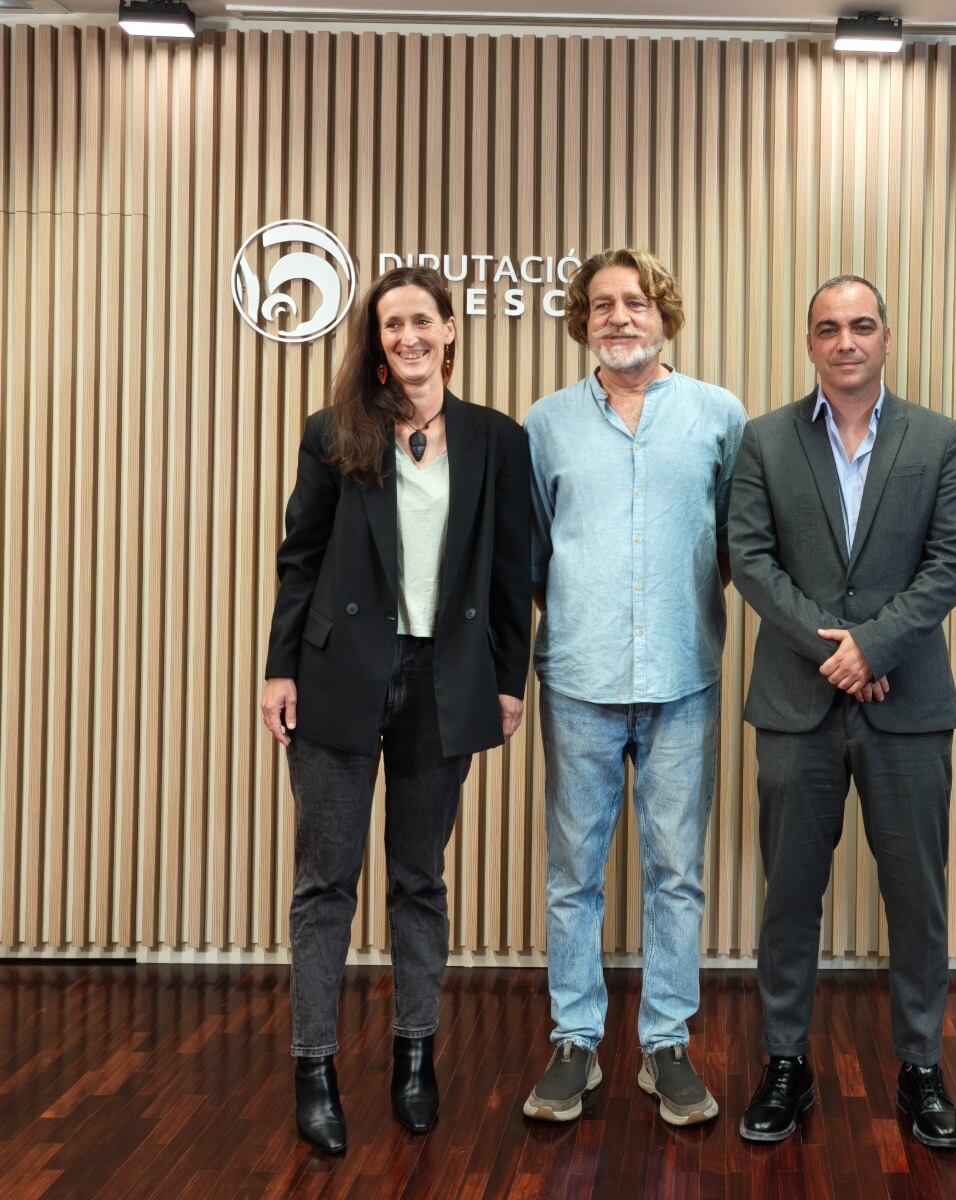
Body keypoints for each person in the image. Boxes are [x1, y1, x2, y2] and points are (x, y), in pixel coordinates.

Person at [260, 266, 533, 1154]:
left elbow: (509, 574)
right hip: (338, 677)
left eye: (422, 321)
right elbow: (299, 560)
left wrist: (507, 680)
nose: (408, 337)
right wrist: (278, 670)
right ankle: (315, 1069)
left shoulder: (497, 440)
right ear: (376, 343)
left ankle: (416, 1058)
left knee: (420, 880)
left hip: (443, 680)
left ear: (451, 331)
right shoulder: (337, 432)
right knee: (324, 884)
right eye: (391, 326)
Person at [728, 275, 956, 1147]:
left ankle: (920, 1068)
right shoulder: (762, 441)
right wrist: (841, 652)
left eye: (861, 326)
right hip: (797, 707)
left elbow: (950, 564)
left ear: (885, 337)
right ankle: (786, 1065)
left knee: (917, 898)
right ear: (810, 344)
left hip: (908, 707)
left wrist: (876, 647)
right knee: (790, 897)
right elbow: (752, 561)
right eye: (829, 328)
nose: (846, 342)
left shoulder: (936, 439)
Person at [521, 248, 745, 1127]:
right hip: (577, 674)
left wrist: (669, 616)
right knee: (573, 871)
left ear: (666, 315)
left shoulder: (718, 417)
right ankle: (575, 1041)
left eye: (639, 302)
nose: (621, 317)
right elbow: (534, 552)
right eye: (604, 304)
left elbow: (734, 542)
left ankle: (666, 1047)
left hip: (685, 677)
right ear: (583, 319)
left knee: (676, 871)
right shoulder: (545, 424)